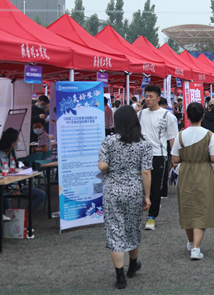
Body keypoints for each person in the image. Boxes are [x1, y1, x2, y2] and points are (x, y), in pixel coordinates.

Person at [98, 106, 152, 289]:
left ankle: (120, 275)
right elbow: (146, 172)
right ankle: (133, 264)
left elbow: (102, 166)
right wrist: (147, 196)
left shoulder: (108, 141)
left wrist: (111, 166)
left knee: (115, 231)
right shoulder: (144, 144)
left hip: (113, 190)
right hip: (134, 190)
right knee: (132, 227)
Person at [172, 101, 214, 260]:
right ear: (202, 116)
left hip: (186, 172)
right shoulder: (209, 135)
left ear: (187, 116)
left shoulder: (180, 135)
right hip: (203, 172)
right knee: (201, 208)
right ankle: (196, 248)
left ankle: (191, 242)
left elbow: (175, 159)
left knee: (187, 207)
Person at [136, 84, 178, 231]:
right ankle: (139, 213)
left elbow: (172, 138)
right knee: (139, 186)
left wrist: (174, 157)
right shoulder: (140, 114)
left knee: (155, 187)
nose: (147, 99)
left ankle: (152, 216)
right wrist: (135, 111)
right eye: (146, 96)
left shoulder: (167, 115)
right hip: (141, 154)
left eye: (151, 96)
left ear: (158, 98)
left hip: (159, 155)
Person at [0, 128, 46, 213]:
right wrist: (9, 188)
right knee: (5, 200)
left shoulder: (13, 153)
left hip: (15, 185)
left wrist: (16, 185)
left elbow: (15, 172)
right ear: (12, 143)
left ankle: (23, 216)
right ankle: (10, 219)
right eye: (17, 141)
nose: (18, 143)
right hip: (0, 188)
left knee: (41, 194)